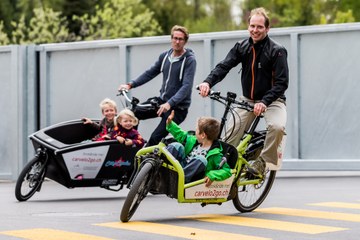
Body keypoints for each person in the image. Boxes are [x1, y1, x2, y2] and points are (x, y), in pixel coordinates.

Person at [198, 7, 289, 177]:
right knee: (228, 137)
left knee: (277, 127)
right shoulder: (242, 47)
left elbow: (282, 83)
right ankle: (226, 174)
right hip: (247, 100)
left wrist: (265, 101)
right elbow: (224, 66)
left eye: (259, 27)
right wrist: (207, 82)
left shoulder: (277, 51)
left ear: (267, 29)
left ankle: (263, 162)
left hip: (273, 101)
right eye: (252, 26)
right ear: (248, 26)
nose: (255, 30)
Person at [118, 25, 196, 146]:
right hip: (161, 102)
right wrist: (130, 85)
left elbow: (186, 87)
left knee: (155, 138)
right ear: (171, 39)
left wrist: (169, 103)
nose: (177, 41)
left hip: (177, 109)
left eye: (180, 39)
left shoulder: (189, 60)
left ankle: (146, 161)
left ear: (185, 41)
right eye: (175, 38)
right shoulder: (165, 56)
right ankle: (132, 145)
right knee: (132, 113)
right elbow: (150, 73)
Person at [166, 110, 232, 187]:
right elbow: (181, 134)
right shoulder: (193, 141)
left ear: (203, 135)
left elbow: (227, 171)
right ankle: (161, 171)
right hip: (181, 167)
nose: (195, 132)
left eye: (197, 130)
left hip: (191, 176)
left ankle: (178, 179)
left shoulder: (215, 154)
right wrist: (170, 124)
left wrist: (212, 175)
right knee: (177, 146)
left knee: (201, 159)